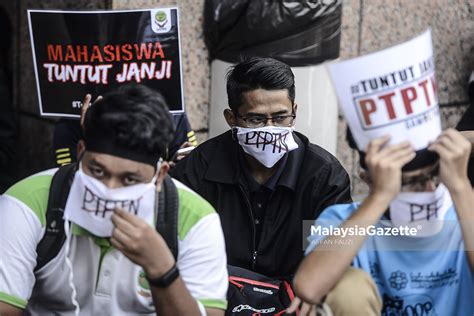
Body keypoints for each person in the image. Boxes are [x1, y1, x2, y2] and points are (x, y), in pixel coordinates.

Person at [0, 85, 228, 315]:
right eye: (97, 171)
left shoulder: (196, 218)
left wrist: (161, 269)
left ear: (160, 175)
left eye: (129, 179)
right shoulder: (26, 203)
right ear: (80, 152)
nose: (108, 190)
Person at [171, 57, 352, 278]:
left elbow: (334, 256)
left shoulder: (324, 177)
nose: (269, 129)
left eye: (280, 118)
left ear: (294, 111)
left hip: (295, 299)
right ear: (231, 118)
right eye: (255, 120)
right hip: (218, 295)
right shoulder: (199, 168)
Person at [291, 129, 474, 315]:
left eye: (434, 177)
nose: (428, 190)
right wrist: (381, 195)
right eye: (411, 182)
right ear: (369, 179)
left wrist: (460, 185)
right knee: (348, 287)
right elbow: (309, 287)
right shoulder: (341, 219)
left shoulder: (463, 213)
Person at [53, 112, 198, 167]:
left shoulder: (173, 115)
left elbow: (188, 163)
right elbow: (67, 184)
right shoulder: (70, 122)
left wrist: (181, 167)